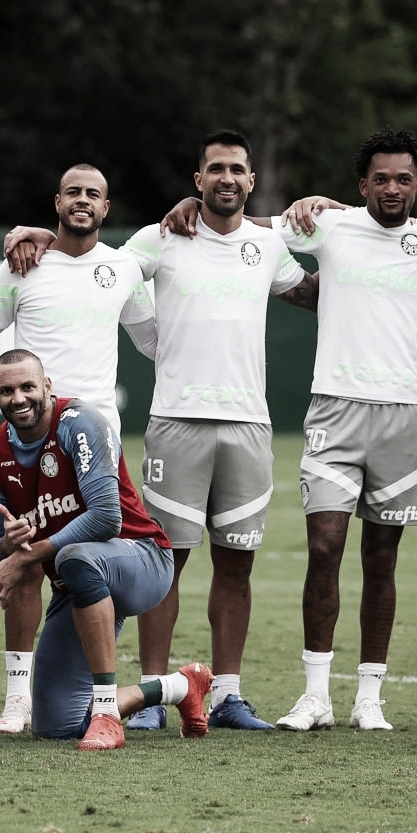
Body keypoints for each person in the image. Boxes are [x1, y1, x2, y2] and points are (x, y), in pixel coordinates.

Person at [161, 127, 417, 732]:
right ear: (362, 185)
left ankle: (369, 700)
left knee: (382, 558)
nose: (392, 188)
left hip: (404, 417)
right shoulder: (328, 223)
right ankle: (316, 695)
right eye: (380, 178)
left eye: (404, 179)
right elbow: (236, 226)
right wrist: (188, 208)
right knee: (324, 548)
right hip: (334, 412)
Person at [114, 130, 317, 732]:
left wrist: (367, 252)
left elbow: (313, 292)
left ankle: (226, 695)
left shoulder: (267, 242)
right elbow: (100, 269)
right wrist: (40, 237)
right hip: (176, 423)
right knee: (163, 565)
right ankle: (154, 696)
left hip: (250, 426)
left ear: (251, 181)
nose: (227, 178)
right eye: (215, 169)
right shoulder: (160, 237)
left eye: (237, 170)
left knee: (237, 567)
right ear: (197, 179)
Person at [0, 164, 158, 734]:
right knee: (19, 552)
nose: (82, 201)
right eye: (73, 192)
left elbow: (153, 340)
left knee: (89, 561)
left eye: (93, 194)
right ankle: (18, 697)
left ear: (106, 206)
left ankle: (112, 697)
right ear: (56, 202)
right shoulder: (23, 264)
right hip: (29, 441)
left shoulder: (123, 267)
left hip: (95, 445)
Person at [0, 349, 212, 751]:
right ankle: (179, 686)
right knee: (56, 724)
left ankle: (106, 715)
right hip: (78, 583)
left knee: (76, 555)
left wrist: (25, 556)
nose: (19, 398)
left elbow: (106, 520)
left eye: (28, 386)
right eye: (8, 390)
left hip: (142, 558)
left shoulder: (81, 424)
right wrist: (9, 544)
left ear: (46, 387)